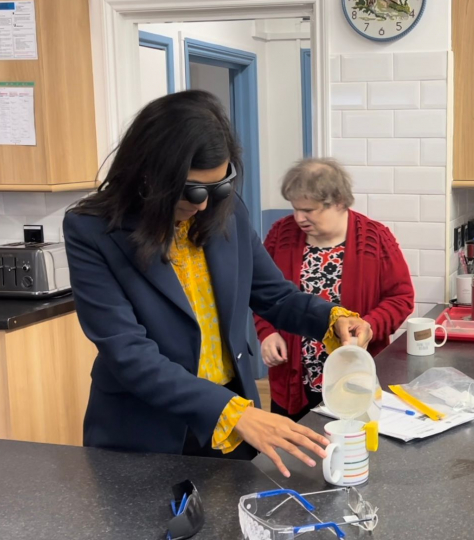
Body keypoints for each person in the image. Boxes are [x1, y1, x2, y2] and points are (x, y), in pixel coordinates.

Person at [63, 90, 372, 478]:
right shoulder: (92, 230)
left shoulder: (228, 212)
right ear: (149, 174)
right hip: (144, 435)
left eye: (219, 187)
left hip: (229, 425)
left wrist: (330, 319)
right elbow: (128, 353)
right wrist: (235, 413)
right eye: (192, 190)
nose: (205, 204)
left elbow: (273, 296)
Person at [255, 158, 414, 421]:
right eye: (295, 209)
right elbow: (262, 292)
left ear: (339, 202)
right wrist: (267, 332)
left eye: (308, 210)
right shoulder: (280, 234)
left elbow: (401, 297)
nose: (298, 218)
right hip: (294, 379)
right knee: (295, 453)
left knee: (354, 451)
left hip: (355, 377)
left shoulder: (375, 238)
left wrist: (369, 326)